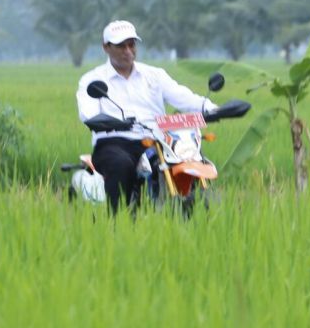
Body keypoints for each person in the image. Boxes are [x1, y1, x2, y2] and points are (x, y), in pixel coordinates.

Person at [76, 20, 217, 213]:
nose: (128, 51)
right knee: (120, 164)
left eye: (131, 44)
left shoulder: (154, 75)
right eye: (121, 46)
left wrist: (214, 109)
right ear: (106, 48)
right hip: (115, 142)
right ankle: (117, 220)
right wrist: (109, 122)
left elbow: (185, 98)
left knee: (191, 158)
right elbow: (88, 113)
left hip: (159, 140)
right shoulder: (92, 79)